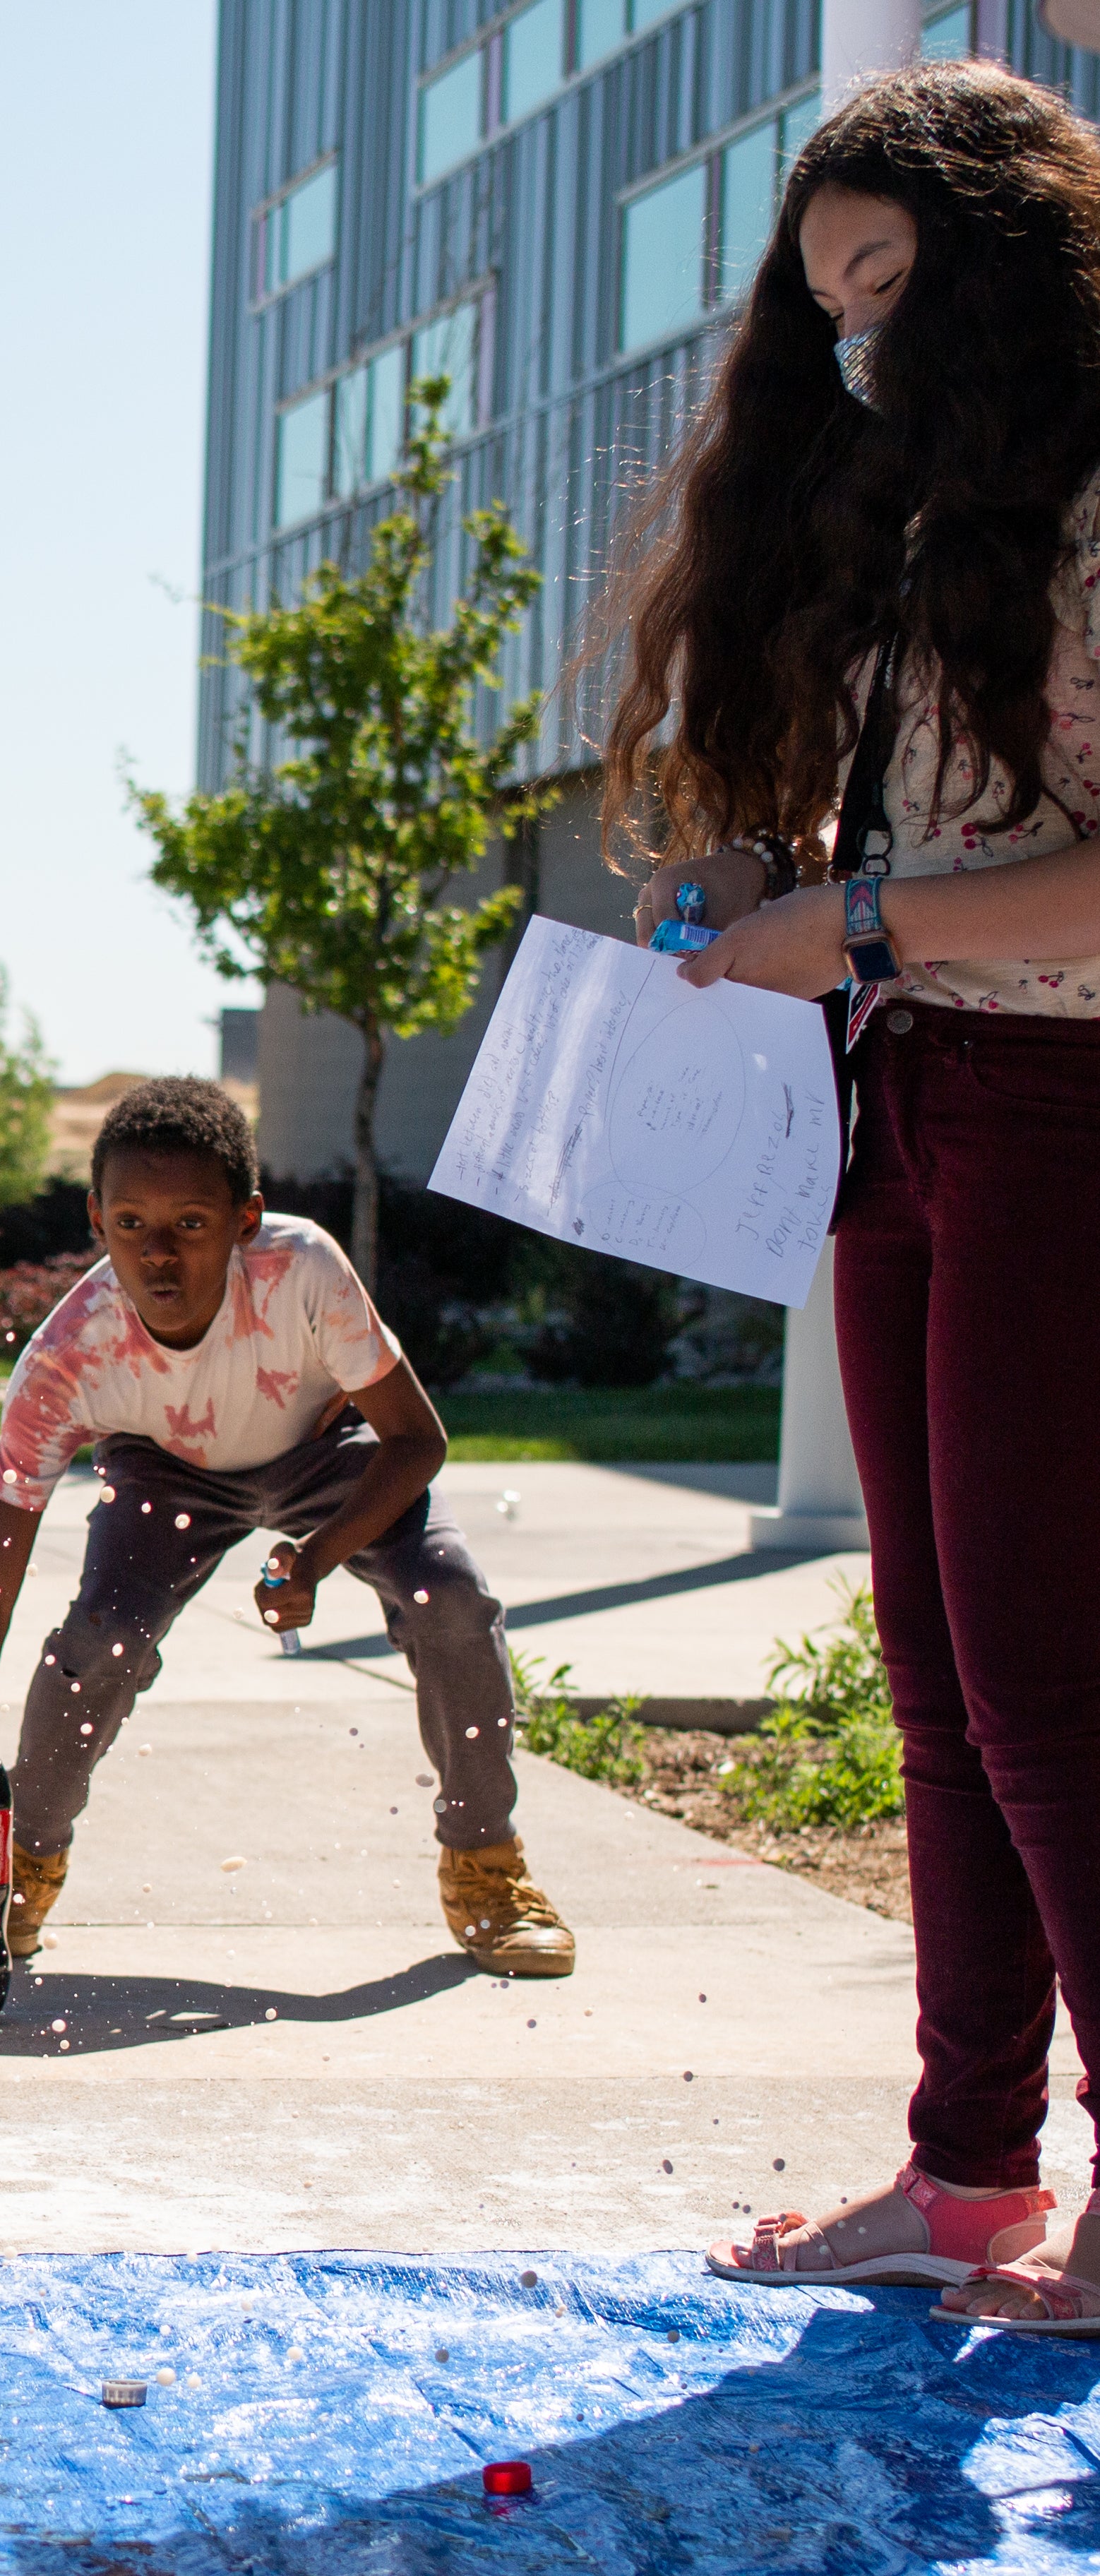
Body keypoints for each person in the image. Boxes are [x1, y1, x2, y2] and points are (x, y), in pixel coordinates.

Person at [607, 61, 1100, 2324]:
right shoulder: (914, 531)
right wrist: (764, 889)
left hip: (1058, 1114)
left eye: (888, 290)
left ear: (1003, 265)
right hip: (894, 1105)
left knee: (1039, 1680)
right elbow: (927, 858)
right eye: (826, 318)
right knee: (929, 1670)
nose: (857, 350)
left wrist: (871, 928)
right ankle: (965, 2170)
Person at [0, 1078, 573, 1977]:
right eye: (130, 1226)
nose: (158, 1256)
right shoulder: (68, 1357)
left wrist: (315, 1560)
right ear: (95, 1219)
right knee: (102, 1637)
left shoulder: (300, 1269)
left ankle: (486, 1864)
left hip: (323, 1450)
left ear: (245, 1219)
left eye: (191, 1225)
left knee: (451, 1597)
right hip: (163, 1471)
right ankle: (24, 1866)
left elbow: (417, 1439)